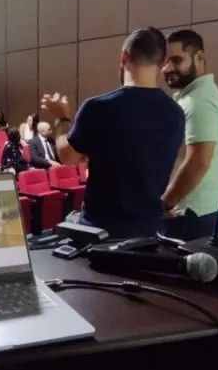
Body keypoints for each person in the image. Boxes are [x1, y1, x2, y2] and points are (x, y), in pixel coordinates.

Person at [42, 27, 184, 238]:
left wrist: (62, 119)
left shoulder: (98, 107)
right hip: (149, 232)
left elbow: (66, 156)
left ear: (123, 56)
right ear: (163, 63)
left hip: (100, 232)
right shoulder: (176, 113)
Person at [161, 29, 218, 240]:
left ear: (199, 57)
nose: (168, 68)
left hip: (191, 214)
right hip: (194, 211)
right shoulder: (193, 96)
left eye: (176, 60)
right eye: (164, 62)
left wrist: (164, 204)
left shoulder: (198, 101)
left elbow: (198, 161)